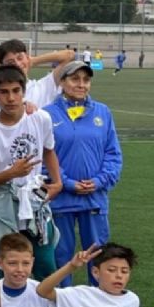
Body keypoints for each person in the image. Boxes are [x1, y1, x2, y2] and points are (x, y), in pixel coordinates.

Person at [0, 65, 62, 279]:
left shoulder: (40, 118)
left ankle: (47, 300)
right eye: (4, 92)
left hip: (35, 196)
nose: (11, 98)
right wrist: (11, 173)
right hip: (2, 200)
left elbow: (48, 150)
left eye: (16, 91)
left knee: (45, 261)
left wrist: (57, 182)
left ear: (24, 92)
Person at [44, 61, 122, 286]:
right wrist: (67, 183)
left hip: (94, 199)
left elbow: (113, 154)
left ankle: (99, 302)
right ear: (62, 82)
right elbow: (42, 157)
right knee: (61, 257)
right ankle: (62, 304)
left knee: (99, 257)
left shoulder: (103, 112)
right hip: (61, 200)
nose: (81, 84)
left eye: (86, 80)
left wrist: (99, 181)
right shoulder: (46, 114)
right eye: (75, 79)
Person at [0, 39, 74, 108]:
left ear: (27, 57)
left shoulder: (44, 86)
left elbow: (69, 55)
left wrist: (34, 61)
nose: (17, 64)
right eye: (11, 62)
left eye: (20, 58)